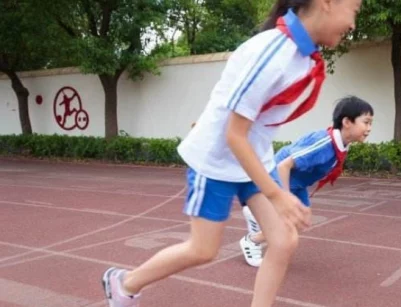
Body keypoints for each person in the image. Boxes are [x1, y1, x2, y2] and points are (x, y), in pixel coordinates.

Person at [100, 1, 363, 306]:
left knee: (284, 240)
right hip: (217, 162)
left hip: (254, 158)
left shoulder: (300, 58)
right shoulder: (273, 53)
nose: (354, 23)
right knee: (203, 250)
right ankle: (123, 283)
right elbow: (234, 134)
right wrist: (278, 195)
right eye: (354, 9)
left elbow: (239, 105)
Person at [239, 95, 374, 267]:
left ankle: (258, 222)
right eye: (366, 122)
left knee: (300, 220)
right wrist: (284, 200)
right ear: (347, 122)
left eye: (371, 123)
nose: (369, 128)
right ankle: (251, 240)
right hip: (277, 178)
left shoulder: (341, 144)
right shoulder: (324, 143)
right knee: (287, 221)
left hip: (298, 184)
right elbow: (283, 166)